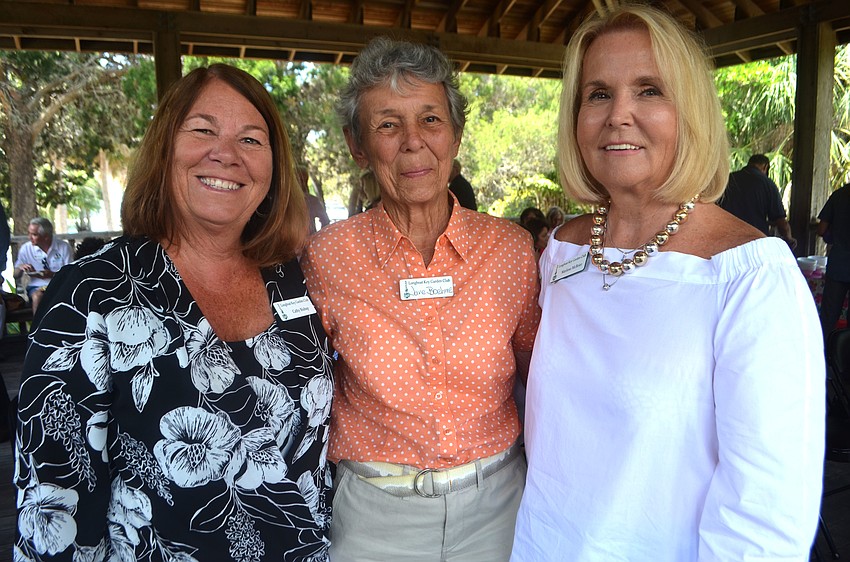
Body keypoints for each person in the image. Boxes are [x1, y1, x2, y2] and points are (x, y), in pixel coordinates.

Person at [511, 5, 824, 561]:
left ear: (692, 113)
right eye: (598, 94)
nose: (618, 115)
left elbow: (766, 519)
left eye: (650, 90)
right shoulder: (562, 250)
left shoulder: (751, 277)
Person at [14, 64, 333, 561]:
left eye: (251, 140)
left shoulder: (292, 278)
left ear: (273, 169)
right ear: (164, 150)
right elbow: (56, 495)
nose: (225, 154)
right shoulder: (92, 294)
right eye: (203, 130)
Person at [300, 37, 541, 561]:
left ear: (454, 135)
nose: (413, 142)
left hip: (498, 505)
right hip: (375, 515)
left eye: (430, 120)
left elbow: (538, 372)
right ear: (357, 145)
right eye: (388, 124)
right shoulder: (326, 258)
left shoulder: (510, 250)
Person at [719, 154, 797, 248]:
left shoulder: (729, 180)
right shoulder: (768, 184)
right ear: (765, 167)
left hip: (727, 239)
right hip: (755, 242)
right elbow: (780, 220)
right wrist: (789, 238)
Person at [13, 217, 73, 314]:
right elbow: (15, 275)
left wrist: (52, 274)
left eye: (34, 234)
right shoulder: (26, 248)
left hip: (59, 285)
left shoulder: (63, 247)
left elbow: (70, 273)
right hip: (36, 287)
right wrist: (20, 268)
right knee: (38, 296)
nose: (30, 237)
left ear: (46, 236)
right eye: (29, 233)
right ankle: (38, 328)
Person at [817, 181, 850, 339]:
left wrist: (834, 236)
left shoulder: (839, 195)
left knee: (828, 317)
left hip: (838, 265)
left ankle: (824, 356)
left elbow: (821, 229)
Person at [298, 164, 330, 234]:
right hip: (309, 240)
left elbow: (325, 221)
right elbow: (325, 221)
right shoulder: (312, 200)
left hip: (289, 241)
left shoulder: (284, 200)